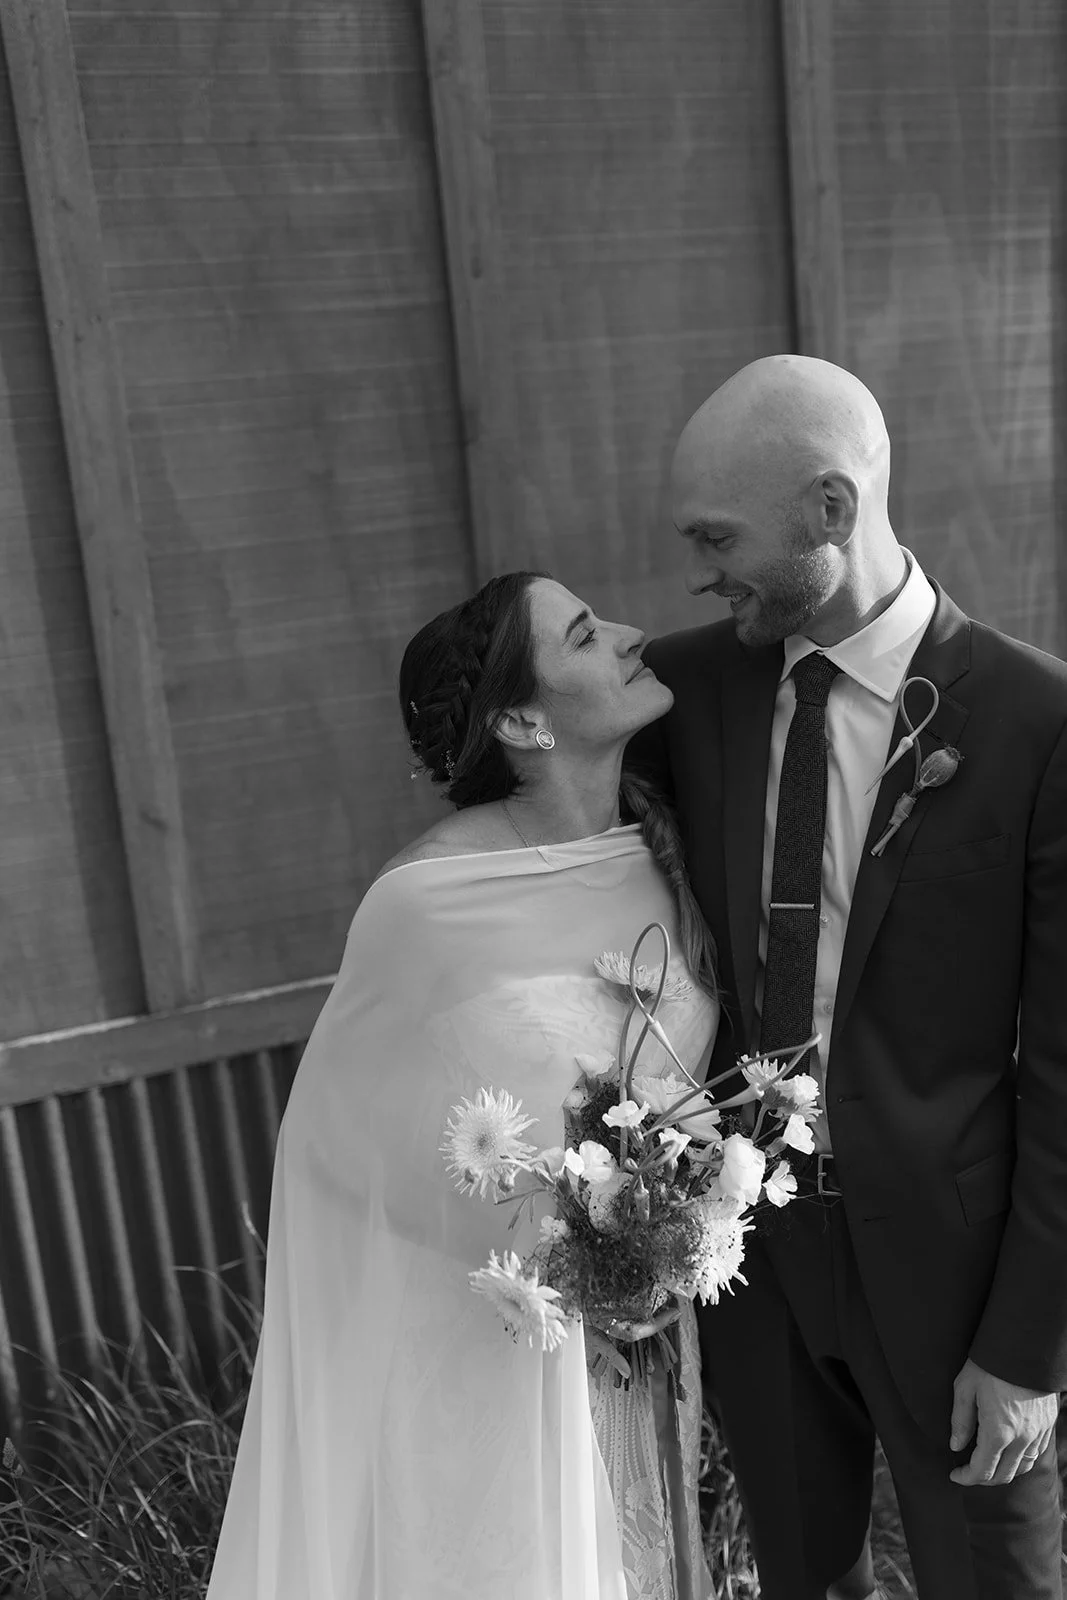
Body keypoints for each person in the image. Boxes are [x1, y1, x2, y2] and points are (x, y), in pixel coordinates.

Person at [627, 353, 1067, 1600]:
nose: (698, 569)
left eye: (717, 536)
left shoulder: (1036, 719)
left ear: (829, 507)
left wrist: (1027, 1347)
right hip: (746, 1257)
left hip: (953, 1269)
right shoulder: (683, 689)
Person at [205, 572, 720, 1600]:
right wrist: (572, 1249)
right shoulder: (426, 903)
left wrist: (668, 1232)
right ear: (523, 721)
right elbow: (337, 1151)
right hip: (492, 1345)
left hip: (650, 1333)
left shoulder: (656, 853)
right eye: (585, 634)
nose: (629, 634)